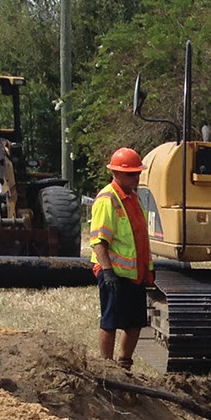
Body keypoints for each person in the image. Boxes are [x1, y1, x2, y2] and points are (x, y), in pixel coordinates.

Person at [89, 146, 152, 372]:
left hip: (134, 275)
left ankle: (124, 365)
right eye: (131, 174)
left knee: (135, 322)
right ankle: (106, 368)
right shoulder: (108, 199)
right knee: (110, 322)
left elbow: (138, 238)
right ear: (117, 173)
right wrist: (107, 272)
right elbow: (98, 241)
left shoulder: (133, 199)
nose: (136, 177)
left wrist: (147, 269)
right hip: (114, 273)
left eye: (138, 173)